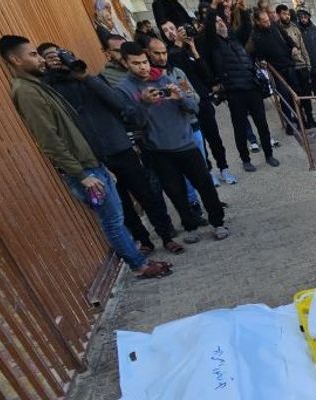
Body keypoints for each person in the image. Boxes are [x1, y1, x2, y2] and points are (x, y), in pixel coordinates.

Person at [0, 35, 171, 279]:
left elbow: (114, 104)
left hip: (97, 159)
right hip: (84, 170)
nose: (41, 60)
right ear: (15, 60)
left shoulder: (40, 85)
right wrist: (81, 175)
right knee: (113, 220)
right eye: (35, 55)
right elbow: (49, 140)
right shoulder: (29, 91)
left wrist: (80, 74)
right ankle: (139, 265)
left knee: (121, 212)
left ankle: (145, 256)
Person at [39, 43, 185, 256]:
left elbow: (117, 102)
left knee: (146, 192)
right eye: (51, 57)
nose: (59, 60)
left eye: (62, 55)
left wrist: (85, 77)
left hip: (119, 146)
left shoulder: (90, 79)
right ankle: (143, 239)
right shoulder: (49, 89)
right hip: (92, 155)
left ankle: (166, 235)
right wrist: (50, 75)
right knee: (120, 201)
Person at [115, 42, 230, 244]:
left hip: (186, 143)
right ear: (125, 63)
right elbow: (134, 123)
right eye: (136, 63)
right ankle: (190, 226)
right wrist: (144, 103)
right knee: (175, 192)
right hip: (158, 150)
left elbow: (194, 107)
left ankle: (218, 222)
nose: (143, 67)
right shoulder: (123, 89)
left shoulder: (164, 77)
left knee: (205, 185)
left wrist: (180, 98)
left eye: (144, 62)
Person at [161, 20, 237, 185]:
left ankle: (224, 167)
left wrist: (194, 50)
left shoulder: (190, 48)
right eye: (166, 30)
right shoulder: (169, 54)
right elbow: (178, 69)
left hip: (203, 99)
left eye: (173, 28)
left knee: (214, 137)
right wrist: (179, 44)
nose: (171, 32)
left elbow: (206, 74)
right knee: (199, 140)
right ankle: (208, 171)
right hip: (187, 103)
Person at [205, 8, 281, 172]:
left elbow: (246, 26)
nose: (220, 24)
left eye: (221, 21)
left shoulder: (235, 39)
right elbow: (209, 28)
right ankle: (245, 159)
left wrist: (240, 7)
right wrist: (214, 8)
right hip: (234, 92)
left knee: (262, 123)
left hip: (252, 87)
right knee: (239, 128)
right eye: (216, 22)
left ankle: (269, 154)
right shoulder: (214, 44)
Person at [276, 5, 316, 128]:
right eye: (284, 14)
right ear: (278, 15)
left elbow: (303, 47)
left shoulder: (294, 27)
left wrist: (308, 64)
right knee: (296, 96)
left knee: (306, 94)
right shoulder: (277, 30)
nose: (287, 16)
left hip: (302, 66)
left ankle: (310, 118)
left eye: (288, 14)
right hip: (290, 67)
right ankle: (301, 120)